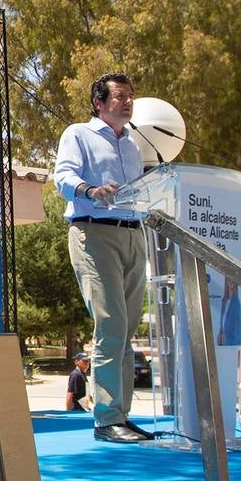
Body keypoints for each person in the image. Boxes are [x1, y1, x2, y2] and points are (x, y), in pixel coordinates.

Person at [53, 72, 151, 443]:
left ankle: (121, 416)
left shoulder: (133, 146)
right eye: (120, 96)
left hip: (133, 235)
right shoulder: (78, 134)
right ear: (99, 102)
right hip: (94, 232)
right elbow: (62, 176)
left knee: (128, 330)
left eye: (131, 97)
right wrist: (90, 189)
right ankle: (107, 419)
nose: (128, 102)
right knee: (110, 326)